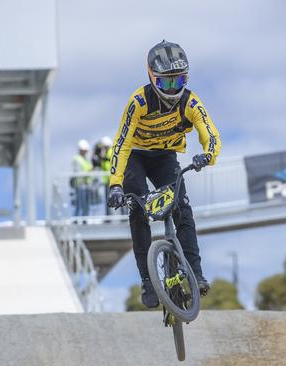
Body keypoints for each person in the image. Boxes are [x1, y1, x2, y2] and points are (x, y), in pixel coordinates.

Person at [106, 40, 221, 308]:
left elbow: (210, 132)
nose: (173, 89)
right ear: (151, 76)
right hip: (136, 156)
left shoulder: (190, 101)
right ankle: (148, 280)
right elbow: (121, 144)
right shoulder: (138, 102)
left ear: (186, 78)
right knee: (137, 209)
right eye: (165, 83)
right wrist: (115, 185)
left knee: (183, 207)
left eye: (178, 81)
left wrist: (208, 155)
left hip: (165, 156)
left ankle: (196, 272)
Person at [92, 136, 114, 215]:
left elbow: (107, 159)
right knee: (107, 199)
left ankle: (119, 216)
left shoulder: (111, 151)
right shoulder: (104, 152)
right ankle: (108, 215)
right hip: (106, 180)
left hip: (113, 179)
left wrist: (102, 156)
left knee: (116, 197)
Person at [71, 139, 92, 217]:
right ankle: (77, 220)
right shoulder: (77, 159)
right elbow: (78, 171)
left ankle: (84, 220)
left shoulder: (85, 159)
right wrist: (88, 171)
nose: (85, 152)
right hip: (80, 185)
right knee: (80, 205)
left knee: (86, 205)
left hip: (86, 185)